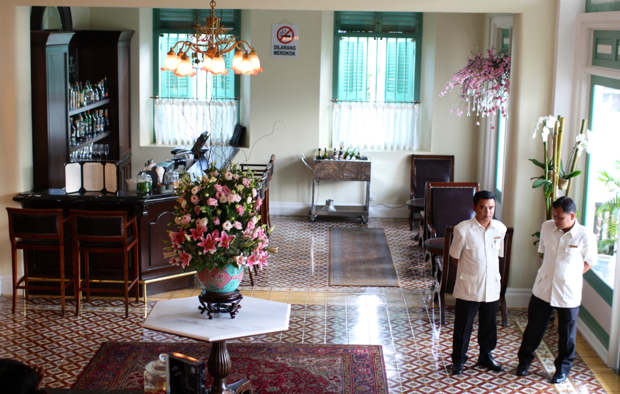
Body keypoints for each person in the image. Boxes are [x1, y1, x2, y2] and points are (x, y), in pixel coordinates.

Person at [516, 196, 597, 384]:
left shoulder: (585, 236)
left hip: (568, 292)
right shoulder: (547, 227)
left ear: (572, 216)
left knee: (567, 335)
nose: (556, 220)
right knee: (534, 329)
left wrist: (573, 276)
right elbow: (543, 252)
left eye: (560, 217)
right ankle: (524, 362)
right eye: (554, 216)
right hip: (543, 288)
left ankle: (562, 370)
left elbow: (590, 262)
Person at [448, 190, 507, 375]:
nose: (487, 211)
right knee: (463, 326)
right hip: (469, 287)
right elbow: (455, 257)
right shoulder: (463, 229)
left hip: (491, 287)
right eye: (482, 207)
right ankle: (459, 360)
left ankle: (486, 355)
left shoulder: (500, 229)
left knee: (489, 325)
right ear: (474, 208)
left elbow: (497, 255)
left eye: (491, 207)